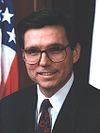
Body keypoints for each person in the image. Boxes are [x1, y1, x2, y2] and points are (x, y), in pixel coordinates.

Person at [0, 8, 100, 133]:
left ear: (75, 53)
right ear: (24, 56)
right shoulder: (7, 109)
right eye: (33, 51)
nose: (43, 62)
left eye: (55, 49)